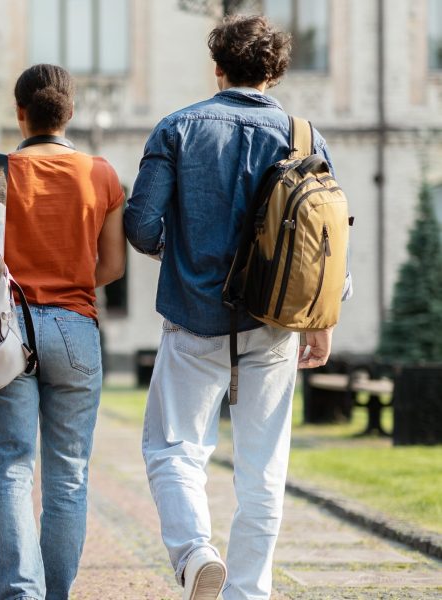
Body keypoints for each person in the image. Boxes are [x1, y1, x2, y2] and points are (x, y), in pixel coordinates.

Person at [124, 16, 347, 600]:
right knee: (263, 469)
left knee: (173, 450)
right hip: (274, 324)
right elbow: (325, 240)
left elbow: (142, 226)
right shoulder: (305, 136)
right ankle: (247, 593)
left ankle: (196, 553)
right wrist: (323, 318)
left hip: (193, 315)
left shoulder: (177, 129)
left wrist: (184, 253)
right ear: (273, 72)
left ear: (217, 67)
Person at [0, 64, 126, 600]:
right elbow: (112, 266)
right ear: (71, 113)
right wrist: (74, 276)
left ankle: (19, 594)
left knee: (13, 466)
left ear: (19, 112)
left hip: (11, 330)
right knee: (69, 474)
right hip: (77, 329)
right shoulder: (100, 174)